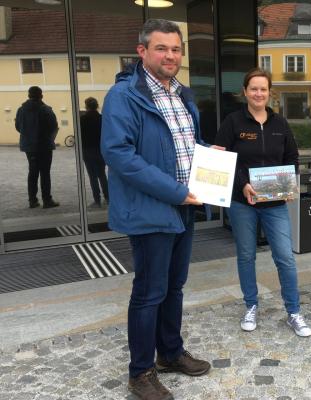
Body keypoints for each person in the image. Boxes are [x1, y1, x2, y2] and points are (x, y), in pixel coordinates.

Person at [101, 19, 218, 400]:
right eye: (162, 48)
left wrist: (207, 154)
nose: (171, 56)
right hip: (152, 209)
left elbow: (186, 143)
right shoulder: (124, 96)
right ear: (142, 52)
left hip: (184, 206)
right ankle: (140, 372)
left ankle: (170, 353)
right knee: (149, 292)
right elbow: (119, 154)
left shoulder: (183, 93)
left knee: (174, 287)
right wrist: (175, 191)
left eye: (176, 49)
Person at [215, 68, 311, 337]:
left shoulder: (280, 124)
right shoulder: (233, 122)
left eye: (263, 89)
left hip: (274, 203)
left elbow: (291, 157)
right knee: (246, 256)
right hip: (242, 202)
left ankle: (294, 311)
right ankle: (251, 305)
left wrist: (288, 183)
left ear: (270, 93)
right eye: (253, 88)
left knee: (285, 257)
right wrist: (242, 184)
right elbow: (222, 161)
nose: (258, 93)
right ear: (245, 92)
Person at [15, 86, 59, 209]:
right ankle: (47, 200)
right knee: (45, 173)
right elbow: (54, 126)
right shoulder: (46, 110)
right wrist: (48, 138)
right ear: (41, 95)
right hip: (44, 146)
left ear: (29, 95)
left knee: (32, 173)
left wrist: (28, 135)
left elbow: (18, 127)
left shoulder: (21, 110)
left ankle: (32, 201)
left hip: (29, 147)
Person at [80, 97, 109, 208]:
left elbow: (80, 136)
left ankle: (97, 200)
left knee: (92, 176)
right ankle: (108, 198)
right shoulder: (102, 118)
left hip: (87, 150)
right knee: (102, 174)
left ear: (86, 106)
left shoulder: (82, 119)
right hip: (100, 150)